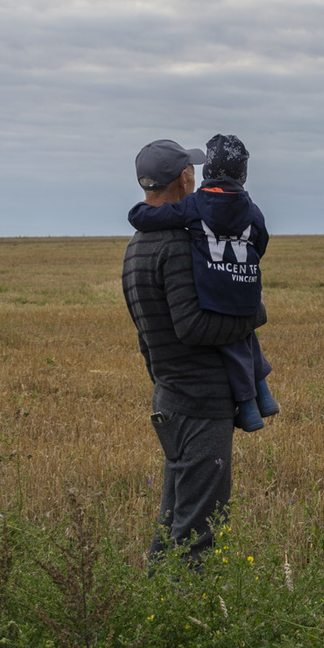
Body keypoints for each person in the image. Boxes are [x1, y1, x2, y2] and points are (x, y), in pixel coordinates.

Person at [122, 139, 267, 565]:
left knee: (173, 525)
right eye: (192, 170)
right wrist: (254, 315)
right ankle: (185, 608)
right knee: (198, 534)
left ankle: (156, 601)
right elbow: (194, 327)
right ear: (185, 178)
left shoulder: (139, 243)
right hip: (200, 404)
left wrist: (165, 383)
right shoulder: (177, 245)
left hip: (171, 397)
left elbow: (148, 337)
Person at [127, 134, 279, 432]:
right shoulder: (250, 209)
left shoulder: (187, 212)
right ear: (183, 179)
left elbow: (153, 217)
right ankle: (259, 395)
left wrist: (137, 212)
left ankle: (252, 404)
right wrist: (255, 308)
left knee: (233, 336)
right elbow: (260, 240)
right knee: (241, 336)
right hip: (200, 400)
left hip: (174, 390)